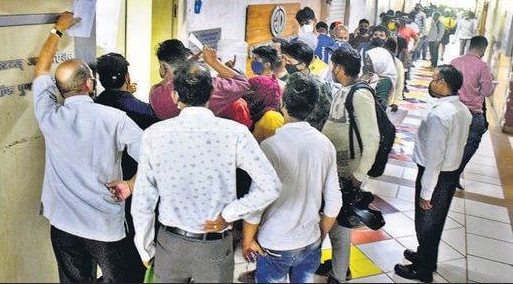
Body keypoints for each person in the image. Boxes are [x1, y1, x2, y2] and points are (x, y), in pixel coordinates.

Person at [130, 60, 282, 283]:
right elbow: (271, 186)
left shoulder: (154, 134)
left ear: (175, 96)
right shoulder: (235, 134)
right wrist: (231, 213)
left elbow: (143, 200)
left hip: (170, 246)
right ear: (211, 93)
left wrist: (144, 247)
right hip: (214, 247)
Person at [32, 11, 144, 282]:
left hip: (63, 224)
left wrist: (58, 29)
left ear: (59, 89)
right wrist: (131, 183)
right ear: (89, 84)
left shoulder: (48, 115)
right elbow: (155, 158)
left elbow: (40, 70)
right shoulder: (115, 119)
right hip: (104, 226)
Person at [241, 71, 342, 283]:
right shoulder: (325, 145)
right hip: (310, 241)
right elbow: (334, 201)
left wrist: (247, 239)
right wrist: (320, 234)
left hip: (275, 243)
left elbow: (256, 202)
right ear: (313, 105)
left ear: (282, 102)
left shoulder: (270, 147)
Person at [394, 64, 472, 283]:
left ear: (443, 84)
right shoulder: (462, 110)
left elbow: (435, 157)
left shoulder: (441, 115)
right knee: (434, 223)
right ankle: (427, 257)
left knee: (426, 224)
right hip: (448, 174)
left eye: (434, 78)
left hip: (436, 176)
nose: (431, 81)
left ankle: (423, 270)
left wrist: (427, 191)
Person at [94, 52, 159, 282]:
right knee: (136, 237)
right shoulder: (144, 111)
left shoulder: (93, 108)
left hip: (103, 184)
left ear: (98, 79)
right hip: (135, 184)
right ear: (127, 76)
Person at [320, 47, 380, 283]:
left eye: (333, 65)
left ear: (339, 68)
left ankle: (339, 273)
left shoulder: (360, 95)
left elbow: (372, 138)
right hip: (337, 167)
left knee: (341, 223)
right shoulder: (344, 90)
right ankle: (337, 265)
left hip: (348, 170)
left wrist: (359, 174)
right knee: (333, 219)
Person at [149, 39, 250, 121]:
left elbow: (167, 82)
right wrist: (213, 62)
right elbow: (242, 83)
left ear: (163, 67)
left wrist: (187, 67)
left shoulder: (156, 95)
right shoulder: (209, 86)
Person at [450, 36, 495, 189]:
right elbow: (488, 91)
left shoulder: (455, 62)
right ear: (483, 49)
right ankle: (455, 171)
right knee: (472, 142)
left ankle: (448, 169)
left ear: (469, 46)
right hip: (473, 112)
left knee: (452, 141)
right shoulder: (483, 66)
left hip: (454, 109)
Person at [281, 40, 332, 131]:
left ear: (302, 65)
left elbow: (327, 111)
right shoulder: (284, 81)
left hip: (313, 131)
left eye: (289, 61)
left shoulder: (321, 85)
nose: (286, 64)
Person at [243, 45, 284, 143]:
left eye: (256, 59)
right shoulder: (279, 84)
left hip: (255, 127)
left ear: (267, 65)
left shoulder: (256, 81)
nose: (254, 62)